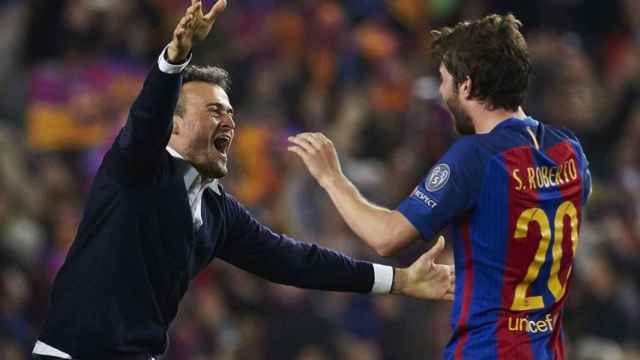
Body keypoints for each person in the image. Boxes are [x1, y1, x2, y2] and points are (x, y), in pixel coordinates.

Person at [32, 1, 456, 359]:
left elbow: (295, 261)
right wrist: (174, 58)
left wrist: (399, 280)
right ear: (174, 127)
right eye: (214, 111)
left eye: (231, 112)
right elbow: (145, 122)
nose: (229, 121)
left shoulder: (218, 211)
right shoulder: (136, 169)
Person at [289, 14, 592, 359]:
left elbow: (385, 237)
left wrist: (332, 178)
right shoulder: (569, 151)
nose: (441, 92)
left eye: (444, 80)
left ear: (467, 85)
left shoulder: (477, 157)